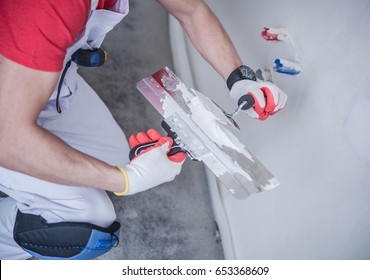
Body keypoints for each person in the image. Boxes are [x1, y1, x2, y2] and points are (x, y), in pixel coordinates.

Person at [0, 0, 287, 259]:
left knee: (110, 162)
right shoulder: (51, 5)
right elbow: (9, 139)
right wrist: (126, 180)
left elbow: (192, 11)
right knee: (84, 221)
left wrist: (240, 79)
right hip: (7, 117)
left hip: (43, 85)